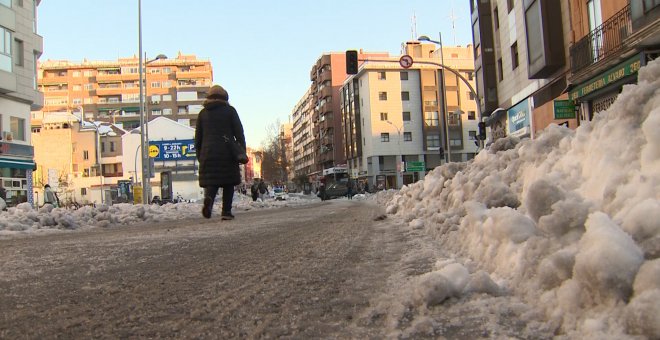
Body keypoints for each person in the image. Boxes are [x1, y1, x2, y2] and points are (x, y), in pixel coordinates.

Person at [195, 85, 246, 220]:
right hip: (227, 152)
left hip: (208, 153)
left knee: (212, 182)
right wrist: (241, 151)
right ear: (225, 98)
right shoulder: (230, 111)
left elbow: (198, 138)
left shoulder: (203, 114)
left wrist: (200, 155)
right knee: (228, 183)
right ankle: (226, 212)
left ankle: (209, 200)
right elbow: (239, 133)